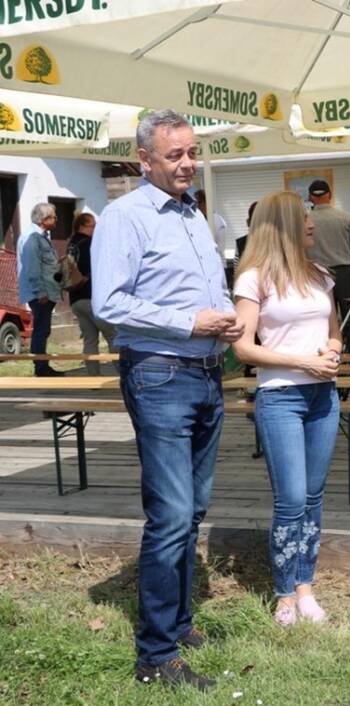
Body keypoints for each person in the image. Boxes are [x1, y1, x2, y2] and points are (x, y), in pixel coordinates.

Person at [93, 109, 244, 691]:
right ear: (144, 161)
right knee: (173, 514)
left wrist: (222, 319)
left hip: (206, 372)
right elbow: (109, 303)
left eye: (191, 152)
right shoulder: (124, 216)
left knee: (193, 511)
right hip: (159, 374)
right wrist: (191, 320)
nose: (187, 163)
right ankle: (155, 655)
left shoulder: (191, 213)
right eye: (174, 156)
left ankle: (178, 625)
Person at [232, 191, 341, 626]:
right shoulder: (253, 278)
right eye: (304, 215)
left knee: (313, 497)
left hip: (323, 395)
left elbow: (335, 332)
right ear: (282, 224)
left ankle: (305, 586)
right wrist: (304, 361)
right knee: (292, 498)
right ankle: (283, 595)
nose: (313, 221)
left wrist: (333, 351)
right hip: (280, 397)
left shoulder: (320, 275)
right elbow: (243, 347)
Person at [16, 202, 63, 377]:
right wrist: (40, 291)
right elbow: (32, 266)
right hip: (40, 293)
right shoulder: (33, 236)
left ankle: (42, 365)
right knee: (41, 329)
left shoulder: (40, 235)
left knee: (44, 329)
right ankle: (41, 368)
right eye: (54, 216)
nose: (56, 219)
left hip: (45, 291)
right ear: (44, 219)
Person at [67, 212, 117, 375]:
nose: (96, 228)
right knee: (113, 336)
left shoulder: (71, 244)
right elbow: (96, 269)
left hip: (75, 298)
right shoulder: (89, 244)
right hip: (92, 298)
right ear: (83, 226)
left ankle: (93, 377)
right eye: (93, 225)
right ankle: (124, 374)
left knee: (89, 340)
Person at [306, 179, 350, 303]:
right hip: (345, 273)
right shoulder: (345, 217)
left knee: (323, 316)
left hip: (316, 274)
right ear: (329, 195)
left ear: (311, 197)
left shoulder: (304, 220)